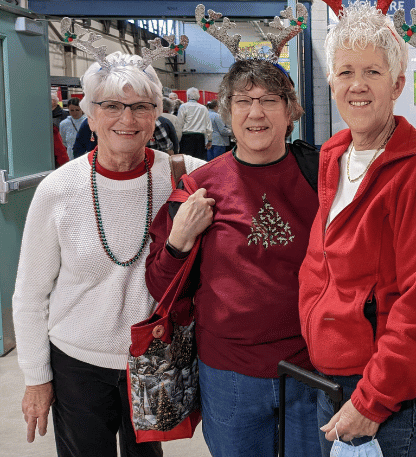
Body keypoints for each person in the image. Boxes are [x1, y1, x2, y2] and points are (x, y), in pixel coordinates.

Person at [13, 51, 205, 457]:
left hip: (154, 359)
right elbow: (30, 295)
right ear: (91, 115)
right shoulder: (58, 189)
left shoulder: (183, 174)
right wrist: (36, 378)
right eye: (112, 106)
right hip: (77, 364)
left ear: (157, 115)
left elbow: (244, 181)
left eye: (140, 107)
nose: (127, 119)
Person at [298, 1, 416, 457]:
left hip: (387, 392)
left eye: (372, 71)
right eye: (346, 72)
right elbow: (323, 260)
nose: (358, 85)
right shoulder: (334, 153)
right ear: (331, 84)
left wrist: (373, 398)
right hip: (331, 377)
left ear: (397, 85)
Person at [146, 47, 321, 455]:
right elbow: (160, 288)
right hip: (229, 374)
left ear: (291, 111)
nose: (255, 113)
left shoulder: (321, 177)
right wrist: (179, 241)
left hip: (310, 368)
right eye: (243, 101)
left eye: (269, 101)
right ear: (226, 112)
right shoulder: (198, 188)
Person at [176, 87, 212, 160]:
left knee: (186, 161)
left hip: (186, 138)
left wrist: (178, 140)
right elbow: (208, 126)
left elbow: (179, 124)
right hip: (200, 138)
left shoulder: (183, 106)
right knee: (199, 161)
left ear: (188, 96)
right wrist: (209, 140)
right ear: (198, 96)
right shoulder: (203, 108)